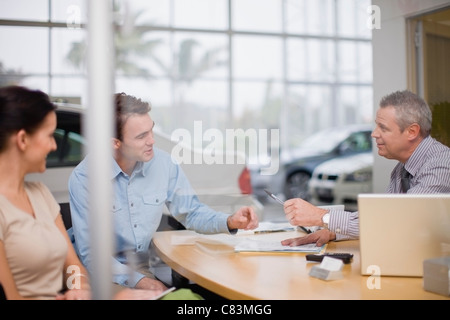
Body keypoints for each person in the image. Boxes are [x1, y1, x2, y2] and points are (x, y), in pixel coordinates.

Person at [68, 92, 259, 293]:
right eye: (141, 136)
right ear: (115, 142)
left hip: (138, 268)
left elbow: (191, 212)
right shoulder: (84, 178)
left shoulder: (164, 164)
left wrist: (230, 221)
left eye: (151, 131)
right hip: (92, 272)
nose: (152, 141)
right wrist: (142, 282)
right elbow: (91, 253)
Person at [0, 85, 165, 300]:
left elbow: (73, 266)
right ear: (22, 140)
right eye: (50, 136)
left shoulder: (39, 194)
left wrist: (78, 288)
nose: (54, 146)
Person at [281, 90, 450, 247]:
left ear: (412, 132)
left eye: (383, 128)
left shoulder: (441, 165)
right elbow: (383, 217)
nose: (374, 134)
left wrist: (322, 216)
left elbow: (399, 219)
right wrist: (333, 232)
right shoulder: (402, 168)